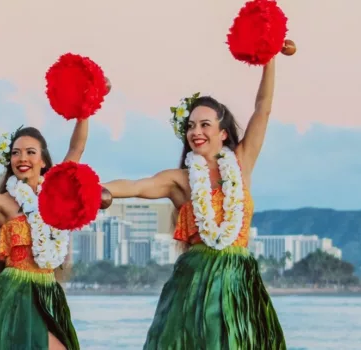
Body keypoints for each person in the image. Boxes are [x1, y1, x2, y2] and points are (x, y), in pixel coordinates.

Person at [102, 59, 285, 349]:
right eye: (190, 126)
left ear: (223, 133)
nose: (195, 131)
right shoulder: (181, 180)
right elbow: (137, 186)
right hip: (196, 284)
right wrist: (92, 189)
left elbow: (263, 108)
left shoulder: (241, 163)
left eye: (204, 124)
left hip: (240, 282)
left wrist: (270, 58)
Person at [0, 118, 97, 350]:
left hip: (47, 293)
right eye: (15, 153)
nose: (22, 158)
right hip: (15, 294)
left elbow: (76, 149)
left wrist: (84, 111)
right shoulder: (3, 203)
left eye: (30, 152)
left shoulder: (55, 192)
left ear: (43, 161)